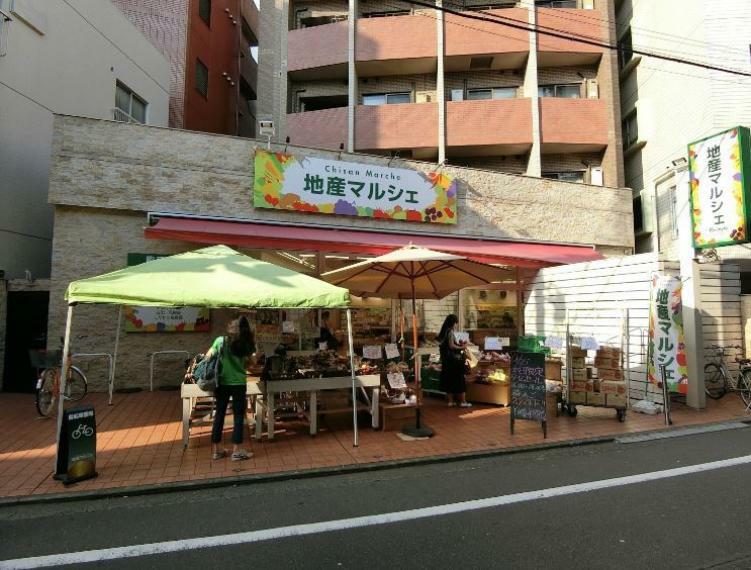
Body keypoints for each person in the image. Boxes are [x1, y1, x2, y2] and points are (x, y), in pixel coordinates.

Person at [207, 316, 256, 461]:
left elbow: (208, 356)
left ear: (231, 328)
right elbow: (253, 362)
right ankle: (236, 451)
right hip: (239, 384)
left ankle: (216, 450)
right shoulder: (246, 343)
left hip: (222, 383)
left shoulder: (220, 341)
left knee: (219, 415)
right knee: (239, 416)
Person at [437, 314, 472, 408]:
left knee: (449, 380)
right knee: (459, 381)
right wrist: (462, 346)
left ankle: (450, 402)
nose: (456, 325)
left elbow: (445, 345)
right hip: (454, 361)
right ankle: (463, 402)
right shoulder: (450, 332)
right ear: (453, 323)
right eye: (456, 323)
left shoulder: (443, 332)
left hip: (446, 360)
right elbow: (451, 346)